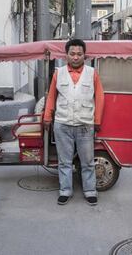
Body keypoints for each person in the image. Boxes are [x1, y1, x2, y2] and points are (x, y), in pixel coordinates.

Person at [43, 39, 104, 206]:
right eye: (72, 54)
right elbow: (51, 97)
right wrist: (47, 117)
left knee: (87, 161)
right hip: (62, 124)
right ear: (66, 55)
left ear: (84, 55)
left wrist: (97, 120)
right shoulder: (59, 73)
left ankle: (90, 190)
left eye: (79, 54)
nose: (75, 57)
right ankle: (65, 190)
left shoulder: (92, 73)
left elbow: (99, 97)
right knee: (64, 161)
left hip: (85, 125)